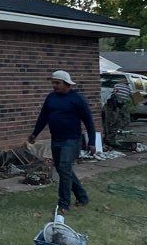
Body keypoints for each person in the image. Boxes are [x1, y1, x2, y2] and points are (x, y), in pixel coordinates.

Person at [28, 70, 96, 213]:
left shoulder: (77, 99)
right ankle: (82, 197)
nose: (54, 85)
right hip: (56, 139)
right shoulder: (51, 98)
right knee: (63, 170)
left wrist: (92, 142)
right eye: (53, 82)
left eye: (57, 83)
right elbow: (43, 117)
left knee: (64, 168)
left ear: (66, 84)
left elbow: (89, 121)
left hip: (71, 140)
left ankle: (64, 204)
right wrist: (35, 133)